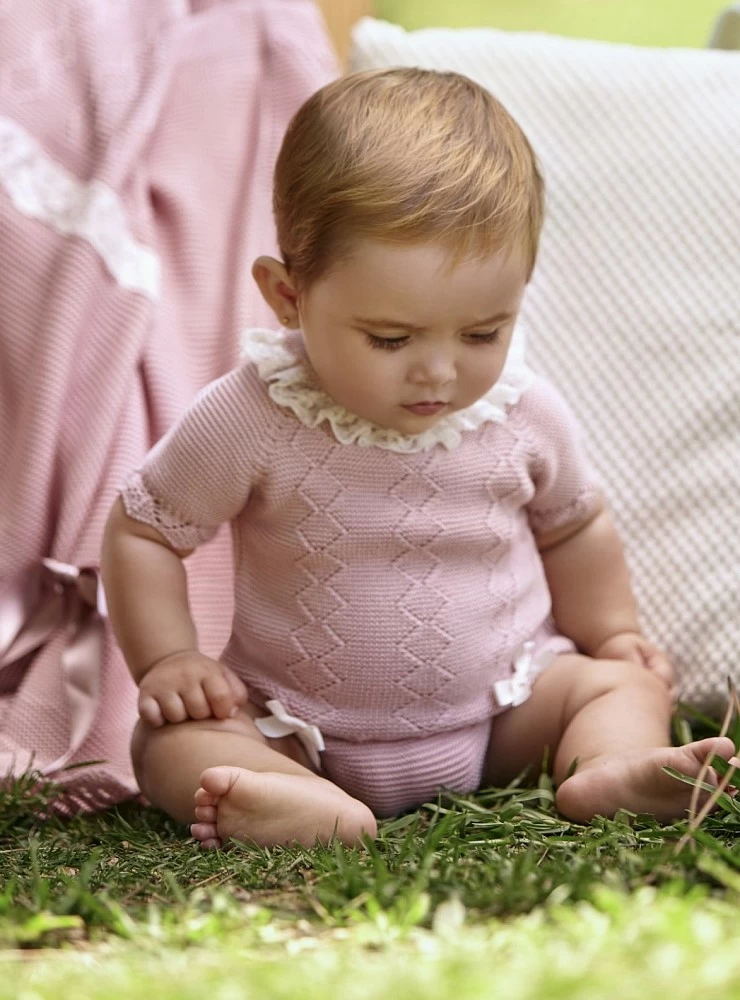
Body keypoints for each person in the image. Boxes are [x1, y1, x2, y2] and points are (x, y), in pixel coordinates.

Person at [101, 68, 736, 850]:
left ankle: (611, 768)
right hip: (293, 723)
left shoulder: (523, 411)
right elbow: (145, 531)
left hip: (505, 710)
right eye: (391, 339)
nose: (439, 372)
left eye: (481, 334)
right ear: (287, 296)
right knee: (171, 741)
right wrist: (168, 659)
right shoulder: (252, 414)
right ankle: (298, 801)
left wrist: (612, 634)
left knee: (621, 685)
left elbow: (575, 525)